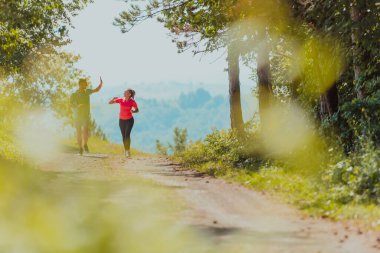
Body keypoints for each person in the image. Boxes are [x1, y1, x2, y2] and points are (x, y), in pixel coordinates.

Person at [70, 77, 103, 155]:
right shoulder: (74, 94)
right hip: (77, 116)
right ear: (80, 84)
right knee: (78, 132)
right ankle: (80, 148)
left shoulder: (87, 92)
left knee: (85, 130)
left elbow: (96, 90)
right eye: (85, 83)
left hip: (86, 115)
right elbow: (71, 104)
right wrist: (78, 106)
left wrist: (101, 84)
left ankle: (85, 144)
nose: (87, 85)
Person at [109, 89, 139, 158]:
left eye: (126, 92)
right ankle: (126, 150)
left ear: (129, 94)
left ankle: (128, 151)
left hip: (129, 120)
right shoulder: (121, 100)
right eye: (124, 92)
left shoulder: (132, 101)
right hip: (121, 120)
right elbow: (110, 103)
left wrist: (133, 111)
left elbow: (137, 110)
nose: (124, 93)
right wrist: (113, 99)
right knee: (123, 136)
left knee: (127, 134)